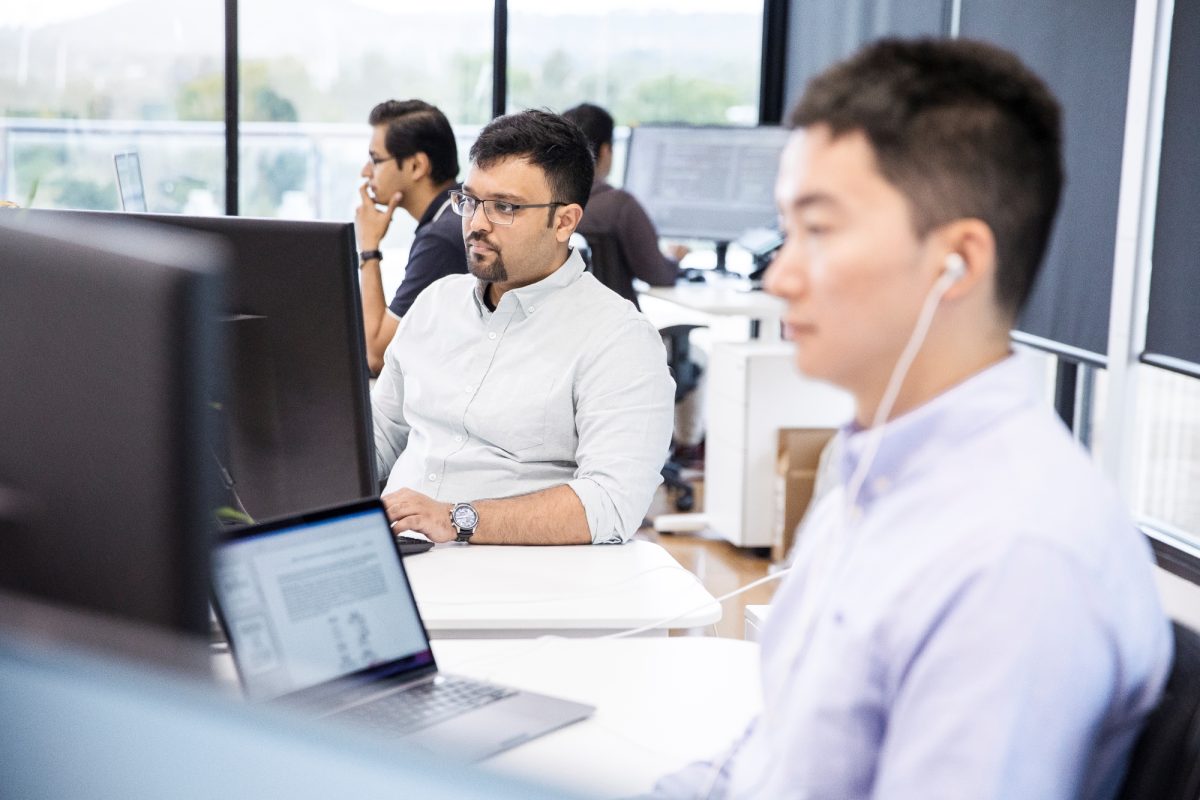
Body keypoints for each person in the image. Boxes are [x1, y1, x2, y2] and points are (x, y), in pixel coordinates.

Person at [652, 38, 1172, 799]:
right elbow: (766, 762)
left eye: (819, 230)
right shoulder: (874, 478)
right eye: (785, 231)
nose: (780, 274)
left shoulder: (1011, 557)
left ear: (957, 261)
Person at [371, 110, 675, 546]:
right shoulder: (436, 303)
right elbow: (383, 431)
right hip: (398, 550)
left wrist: (457, 519)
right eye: (470, 200)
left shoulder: (618, 339)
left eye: (505, 207)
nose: (476, 223)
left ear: (565, 221)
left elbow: (611, 504)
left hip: (516, 575)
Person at [355, 99, 467, 375]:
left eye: (376, 160)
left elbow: (376, 355)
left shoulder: (440, 239)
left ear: (417, 166)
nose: (366, 172)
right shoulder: (461, 212)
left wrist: (368, 248)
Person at [562, 103, 684, 308]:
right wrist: (674, 258)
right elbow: (658, 275)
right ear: (605, 150)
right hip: (617, 331)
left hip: (556, 329)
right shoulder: (619, 206)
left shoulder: (544, 206)